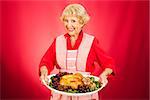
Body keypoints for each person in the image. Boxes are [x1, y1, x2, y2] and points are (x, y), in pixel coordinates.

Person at [39, 3, 115, 100]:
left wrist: (104, 75)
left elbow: (109, 64)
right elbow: (46, 61)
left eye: (73, 21)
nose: (68, 25)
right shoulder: (58, 41)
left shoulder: (91, 41)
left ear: (82, 22)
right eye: (66, 20)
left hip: (85, 94)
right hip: (61, 93)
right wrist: (44, 71)